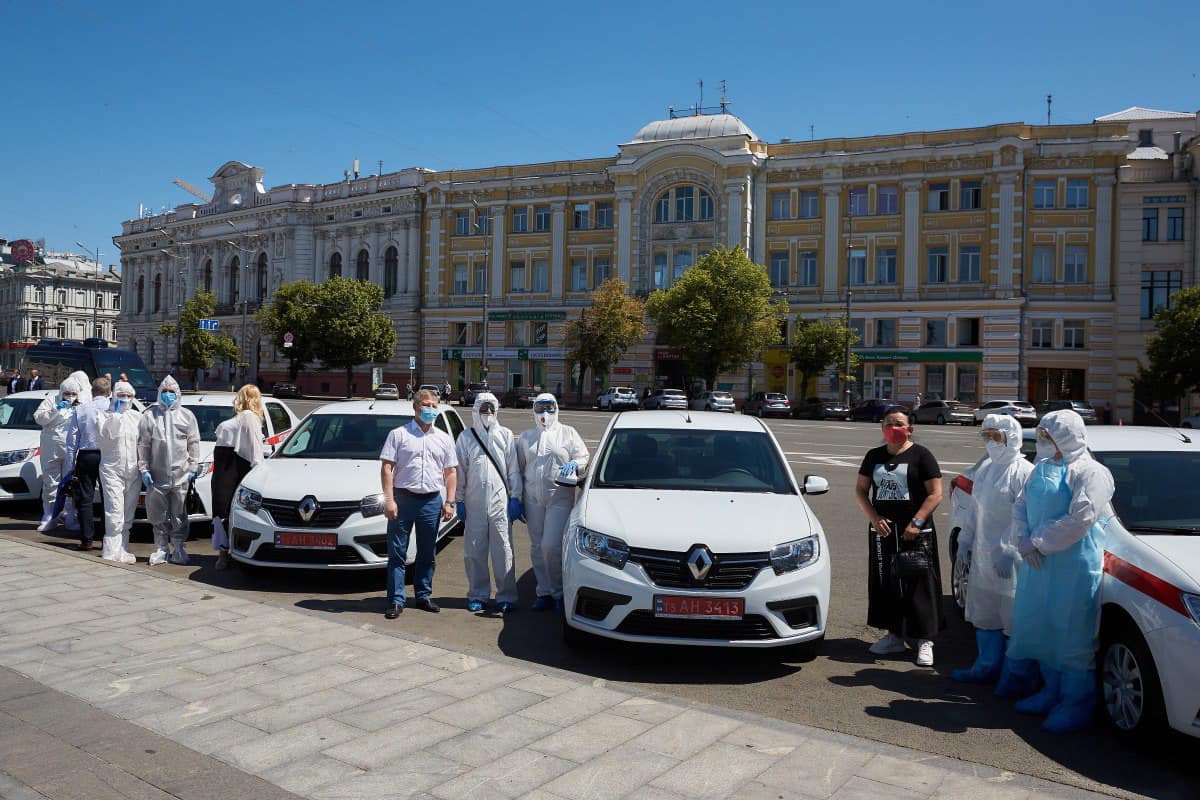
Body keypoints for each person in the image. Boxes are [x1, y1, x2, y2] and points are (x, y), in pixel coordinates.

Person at [999, 409, 1114, 734]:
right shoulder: (1043, 468)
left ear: (1067, 436)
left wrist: (1037, 541)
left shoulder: (1092, 472)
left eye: (1049, 435)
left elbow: (1081, 519)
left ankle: (1075, 702)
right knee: (1041, 627)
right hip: (1038, 565)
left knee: (1072, 633)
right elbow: (1020, 505)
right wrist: (1023, 542)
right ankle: (1050, 691)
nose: (1045, 441)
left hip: (1072, 568)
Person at [854, 405, 945, 666]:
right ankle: (894, 636)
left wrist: (917, 521)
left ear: (910, 429)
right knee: (887, 583)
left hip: (915, 532)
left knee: (919, 582)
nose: (893, 429)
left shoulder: (921, 455)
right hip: (883, 531)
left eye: (899, 424)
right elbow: (861, 490)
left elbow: (935, 493)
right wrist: (874, 517)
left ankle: (924, 640)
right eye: (888, 424)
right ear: (882, 428)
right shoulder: (874, 456)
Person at [951, 414, 1033, 683]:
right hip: (984, 559)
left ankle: (1014, 676)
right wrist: (964, 541)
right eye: (987, 437)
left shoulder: (1024, 473)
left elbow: (1030, 517)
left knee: (1013, 619)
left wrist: (1012, 550)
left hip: (1012, 563)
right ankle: (985, 667)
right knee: (985, 615)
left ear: (1012, 437)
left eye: (996, 437)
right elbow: (975, 511)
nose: (991, 443)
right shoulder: (986, 469)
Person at [379, 389, 458, 618]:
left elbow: (450, 472)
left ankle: (423, 595)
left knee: (427, 552)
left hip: (431, 501)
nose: (431, 409)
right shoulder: (398, 435)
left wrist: (449, 501)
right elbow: (386, 468)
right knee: (397, 552)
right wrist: (389, 500)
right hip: (403, 499)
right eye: (426, 405)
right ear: (415, 407)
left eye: (434, 405)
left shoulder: (443, 438)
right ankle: (396, 599)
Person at [516, 392, 588, 611]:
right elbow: (519, 468)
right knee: (537, 546)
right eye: (540, 408)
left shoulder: (568, 433)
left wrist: (575, 464)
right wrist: (518, 498)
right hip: (532, 498)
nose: (545, 413)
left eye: (549, 407)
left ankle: (558, 592)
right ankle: (544, 591)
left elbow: (583, 456)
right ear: (533, 410)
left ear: (557, 408)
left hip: (559, 497)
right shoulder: (526, 437)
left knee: (551, 546)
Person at [455, 391, 523, 613]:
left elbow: (513, 470)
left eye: (491, 408)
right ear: (475, 410)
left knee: (503, 549)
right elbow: (460, 472)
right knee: (474, 551)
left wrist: (516, 497)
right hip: (473, 503)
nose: (487, 413)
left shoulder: (505, 435)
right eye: (483, 408)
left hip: (501, 502)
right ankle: (478, 594)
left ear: (497, 410)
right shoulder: (466, 437)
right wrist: (460, 499)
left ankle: (506, 596)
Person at [138, 375, 201, 566]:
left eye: (171, 392)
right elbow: (143, 445)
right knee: (157, 514)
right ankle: (161, 548)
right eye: (164, 392)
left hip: (180, 475)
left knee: (179, 515)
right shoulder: (150, 416)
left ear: (178, 394)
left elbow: (193, 443)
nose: (167, 395)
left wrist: (193, 466)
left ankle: (179, 548)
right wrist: (144, 469)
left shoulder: (187, 416)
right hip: (157, 476)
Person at [210, 385, 265, 570]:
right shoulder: (250, 418)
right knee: (229, 512)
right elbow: (256, 453)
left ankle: (223, 554)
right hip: (233, 469)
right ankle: (226, 554)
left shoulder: (245, 418)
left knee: (223, 511)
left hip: (226, 470)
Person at [97, 380, 142, 563]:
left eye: (128, 396)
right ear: (113, 396)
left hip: (133, 471)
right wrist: (115, 414)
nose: (124, 399)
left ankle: (123, 549)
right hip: (111, 470)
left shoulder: (137, 417)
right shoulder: (103, 415)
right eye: (121, 395)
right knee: (114, 512)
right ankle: (110, 551)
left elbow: (144, 443)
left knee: (128, 512)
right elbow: (108, 434)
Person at [64, 378, 111, 550]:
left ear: (92, 392)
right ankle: (109, 539)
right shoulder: (113, 408)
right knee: (110, 497)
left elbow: (72, 440)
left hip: (86, 454)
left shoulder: (81, 409)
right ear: (109, 392)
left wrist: (70, 465)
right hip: (108, 455)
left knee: (85, 498)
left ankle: (87, 540)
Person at [34, 376, 82, 531]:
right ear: (61, 392)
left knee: (70, 483)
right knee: (51, 482)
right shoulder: (50, 401)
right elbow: (39, 418)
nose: (69, 396)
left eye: (73, 393)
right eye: (67, 393)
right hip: (51, 447)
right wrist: (56, 409)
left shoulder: (80, 405)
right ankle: (49, 516)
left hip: (71, 449)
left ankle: (70, 516)